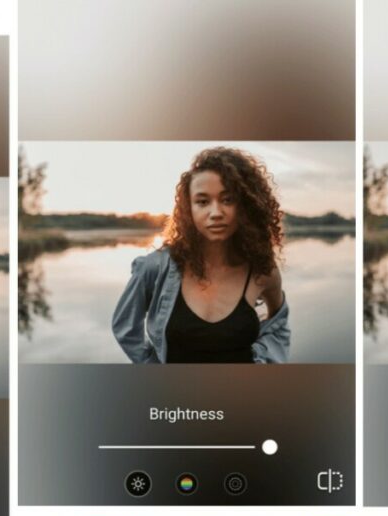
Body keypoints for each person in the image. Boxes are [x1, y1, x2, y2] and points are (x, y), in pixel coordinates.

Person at [112, 147, 289, 364]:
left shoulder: (262, 271)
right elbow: (126, 328)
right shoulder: (155, 267)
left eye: (228, 199)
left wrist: (264, 360)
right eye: (203, 202)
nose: (216, 213)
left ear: (246, 205)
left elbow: (279, 325)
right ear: (189, 209)